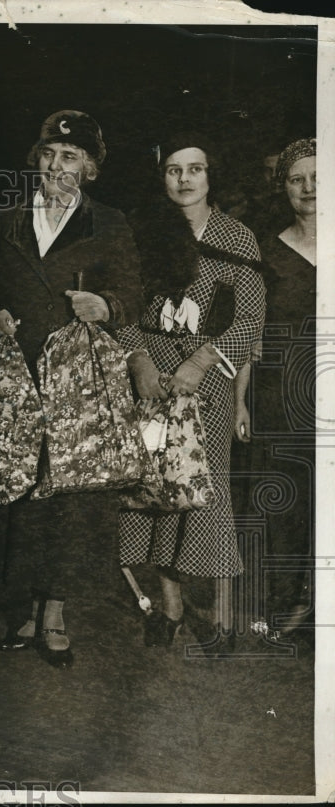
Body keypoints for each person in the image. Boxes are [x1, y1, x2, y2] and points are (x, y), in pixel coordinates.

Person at [0, 110, 144, 668]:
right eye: (48, 154)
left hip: (78, 382)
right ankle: (25, 606)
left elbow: (134, 296)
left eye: (70, 157)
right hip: (20, 374)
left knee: (72, 494)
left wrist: (106, 306)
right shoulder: (6, 216)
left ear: (90, 168)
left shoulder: (110, 222)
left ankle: (55, 612)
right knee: (23, 488)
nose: (56, 166)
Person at [118, 132, 266, 650]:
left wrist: (201, 361)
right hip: (153, 377)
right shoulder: (144, 231)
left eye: (195, 169)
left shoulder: (236, 236)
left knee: (209, 495)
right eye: (173, 170)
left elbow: (249, 318)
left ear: (211, 175)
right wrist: (140, 364)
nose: (184, 179)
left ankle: (223, 618)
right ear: (162, 177)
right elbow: (124, 310)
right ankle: (171, 608)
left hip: (210, 378)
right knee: (161, 491)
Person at [233, 137, 316, 636]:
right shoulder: (266, 252)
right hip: (279, 395)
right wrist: (241, 400)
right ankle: (283, 603)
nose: (309, 187)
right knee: (283, 501)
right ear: (282, 187)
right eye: (296, 178)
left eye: (318, 177)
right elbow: (250, 334)